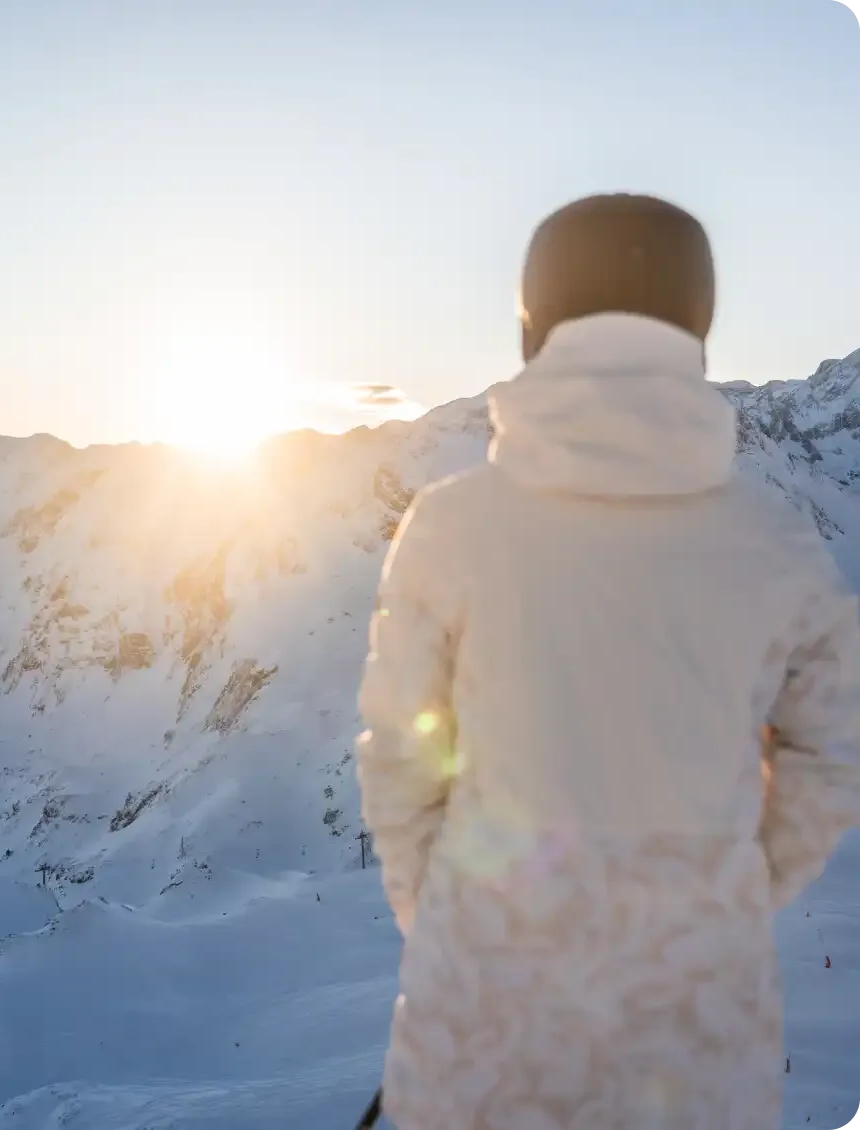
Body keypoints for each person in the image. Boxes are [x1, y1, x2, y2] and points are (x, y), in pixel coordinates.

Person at [356, 192, 860, 1130]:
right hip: (702, 1053)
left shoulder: (451, 529)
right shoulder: (778, 541)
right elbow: (831, 759)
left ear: (532, 326)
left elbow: (399, 760)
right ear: (698, 331)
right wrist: (727, 891)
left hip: (477, 1035)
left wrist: (458, 920)